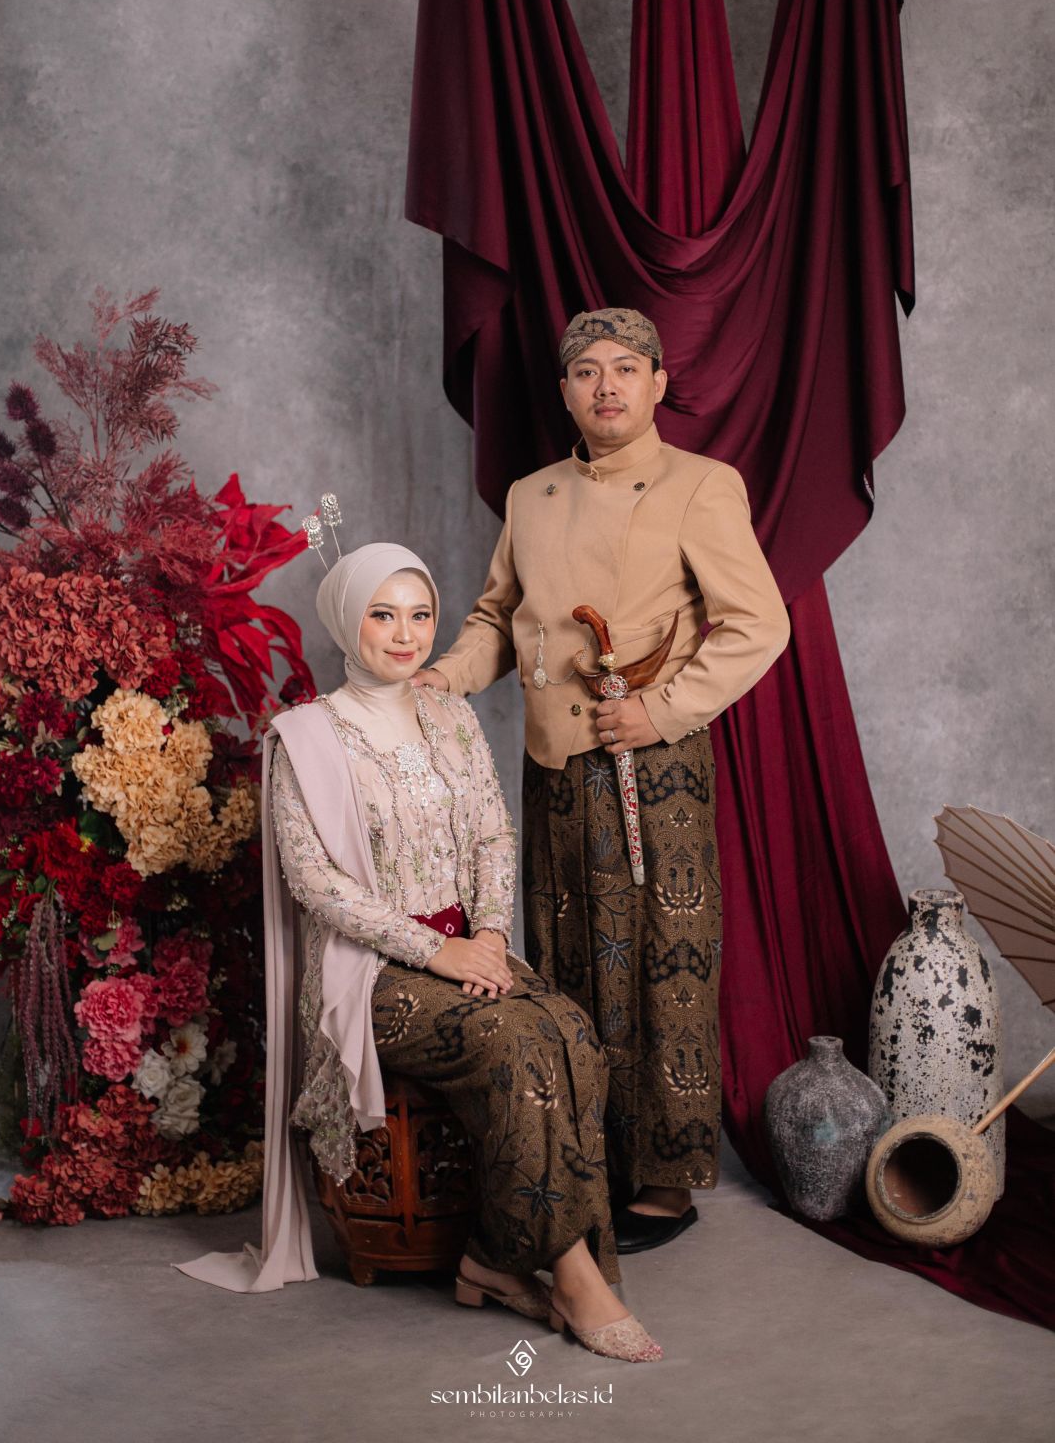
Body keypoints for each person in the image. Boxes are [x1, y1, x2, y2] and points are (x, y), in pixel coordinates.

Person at [178, 539, 662, 1363]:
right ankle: (573, 1273)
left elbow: (491, 835)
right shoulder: (303, 737)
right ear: (347, 621)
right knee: (512, 1042)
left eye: (421, 615)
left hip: (468, 947)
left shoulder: (450, 715)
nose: (405, 636)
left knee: (572, 1033)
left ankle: (492, 1259)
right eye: (383, 615)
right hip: (368, 972)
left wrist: (490, 934)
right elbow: (316, 884)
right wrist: (434, 953)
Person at [417, 309, 791, 1253]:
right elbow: (497, 619)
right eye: (586, 371)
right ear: (564, 391)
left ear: (659, 382)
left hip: (649, 764)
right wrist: (442, 679)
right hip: (552, 764)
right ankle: (588, 1160)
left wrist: (662, 711)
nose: (607, 385)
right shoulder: (531, 494)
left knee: (662, 965)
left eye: (626, 367)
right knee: (570, 962)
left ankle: (664, 1181)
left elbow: (758, 623)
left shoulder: (700, 484)